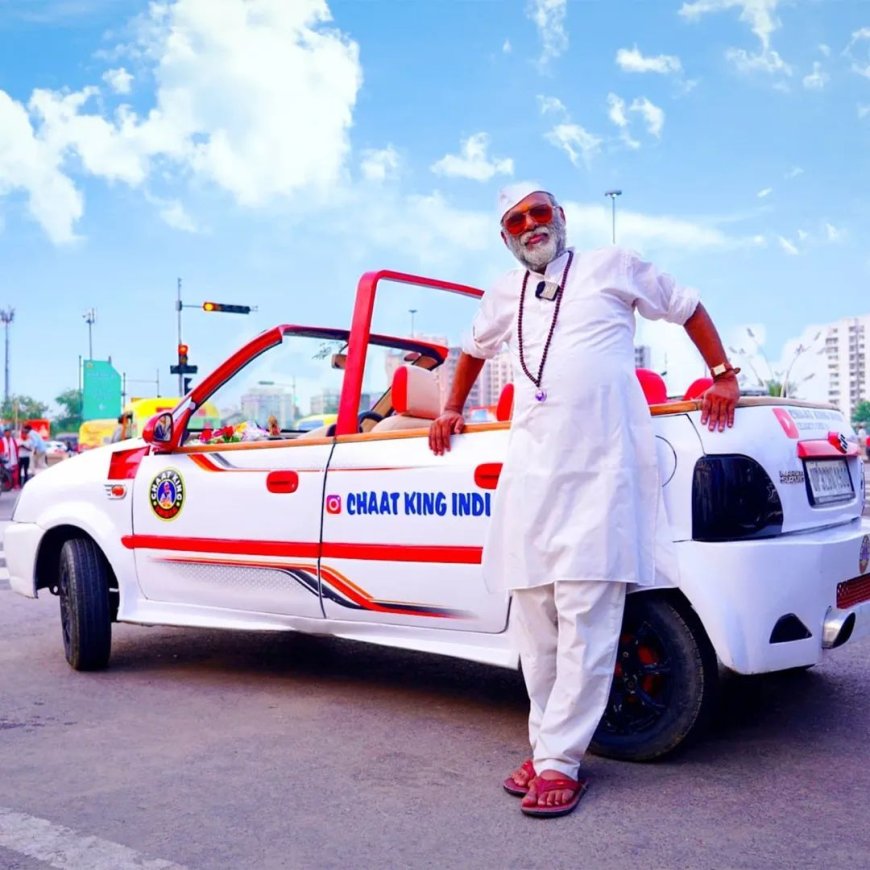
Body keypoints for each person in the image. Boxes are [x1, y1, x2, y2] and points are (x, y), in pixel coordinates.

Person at [428, 184, 740, 819]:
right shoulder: (501, 295)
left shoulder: (611, 266)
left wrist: (723, 375)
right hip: (533, 476)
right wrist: (452, 407)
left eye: (540, 213)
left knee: (586, 621)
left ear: (561, 218)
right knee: (536, 621)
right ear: (505, 236)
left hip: (602, 472)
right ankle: (547, 746)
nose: (530, 225)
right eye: (516, 220)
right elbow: (470, 349)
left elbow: (687, 306)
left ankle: (561, 761)